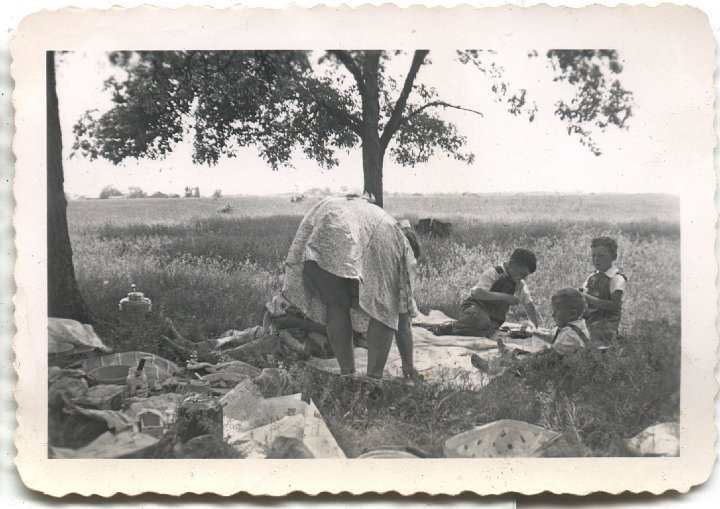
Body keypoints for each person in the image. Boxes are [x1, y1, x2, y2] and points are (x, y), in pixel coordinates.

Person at [280, 195, 418, 381]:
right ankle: (373, 380)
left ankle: (348, 375)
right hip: (347, 226)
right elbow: (401, 321)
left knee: (336, 304)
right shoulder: (399, 245)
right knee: (385, 309)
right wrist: (409, 367)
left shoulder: (374, 216)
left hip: (324, 226)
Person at [471, 288, 589, 374]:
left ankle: (494, 368)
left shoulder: (569, 334)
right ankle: (510, 352)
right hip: (559, 362)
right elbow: (552, 337)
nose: (552, 315)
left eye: (556, 311)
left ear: (572, 314)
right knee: (529, 354)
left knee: (517, 367)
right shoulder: (577, 326)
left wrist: (528, 363)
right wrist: (534, 332)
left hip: (558, 371)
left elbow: (551, 358)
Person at [434, 248, 541, 338]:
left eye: (526, 275)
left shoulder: (519, 283)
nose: (524, 278)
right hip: (476, 308)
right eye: (522, 273)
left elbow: (529, 305)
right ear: (511, 264)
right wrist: (505, 297)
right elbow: (478, 293)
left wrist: (536, 329)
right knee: (482, 321)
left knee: (489, 331)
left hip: (492, 318)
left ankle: (460, 332)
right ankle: (453, 326)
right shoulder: (494, 273)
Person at [581, 236, 627, 344]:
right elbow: (584, 295)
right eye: (594, 255)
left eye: (601, 256)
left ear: (614, 257)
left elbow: (614, 305)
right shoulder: (592, 276)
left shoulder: (616, 279)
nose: (596, 259)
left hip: (606, 326)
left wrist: (587, 297)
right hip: (590, 320)